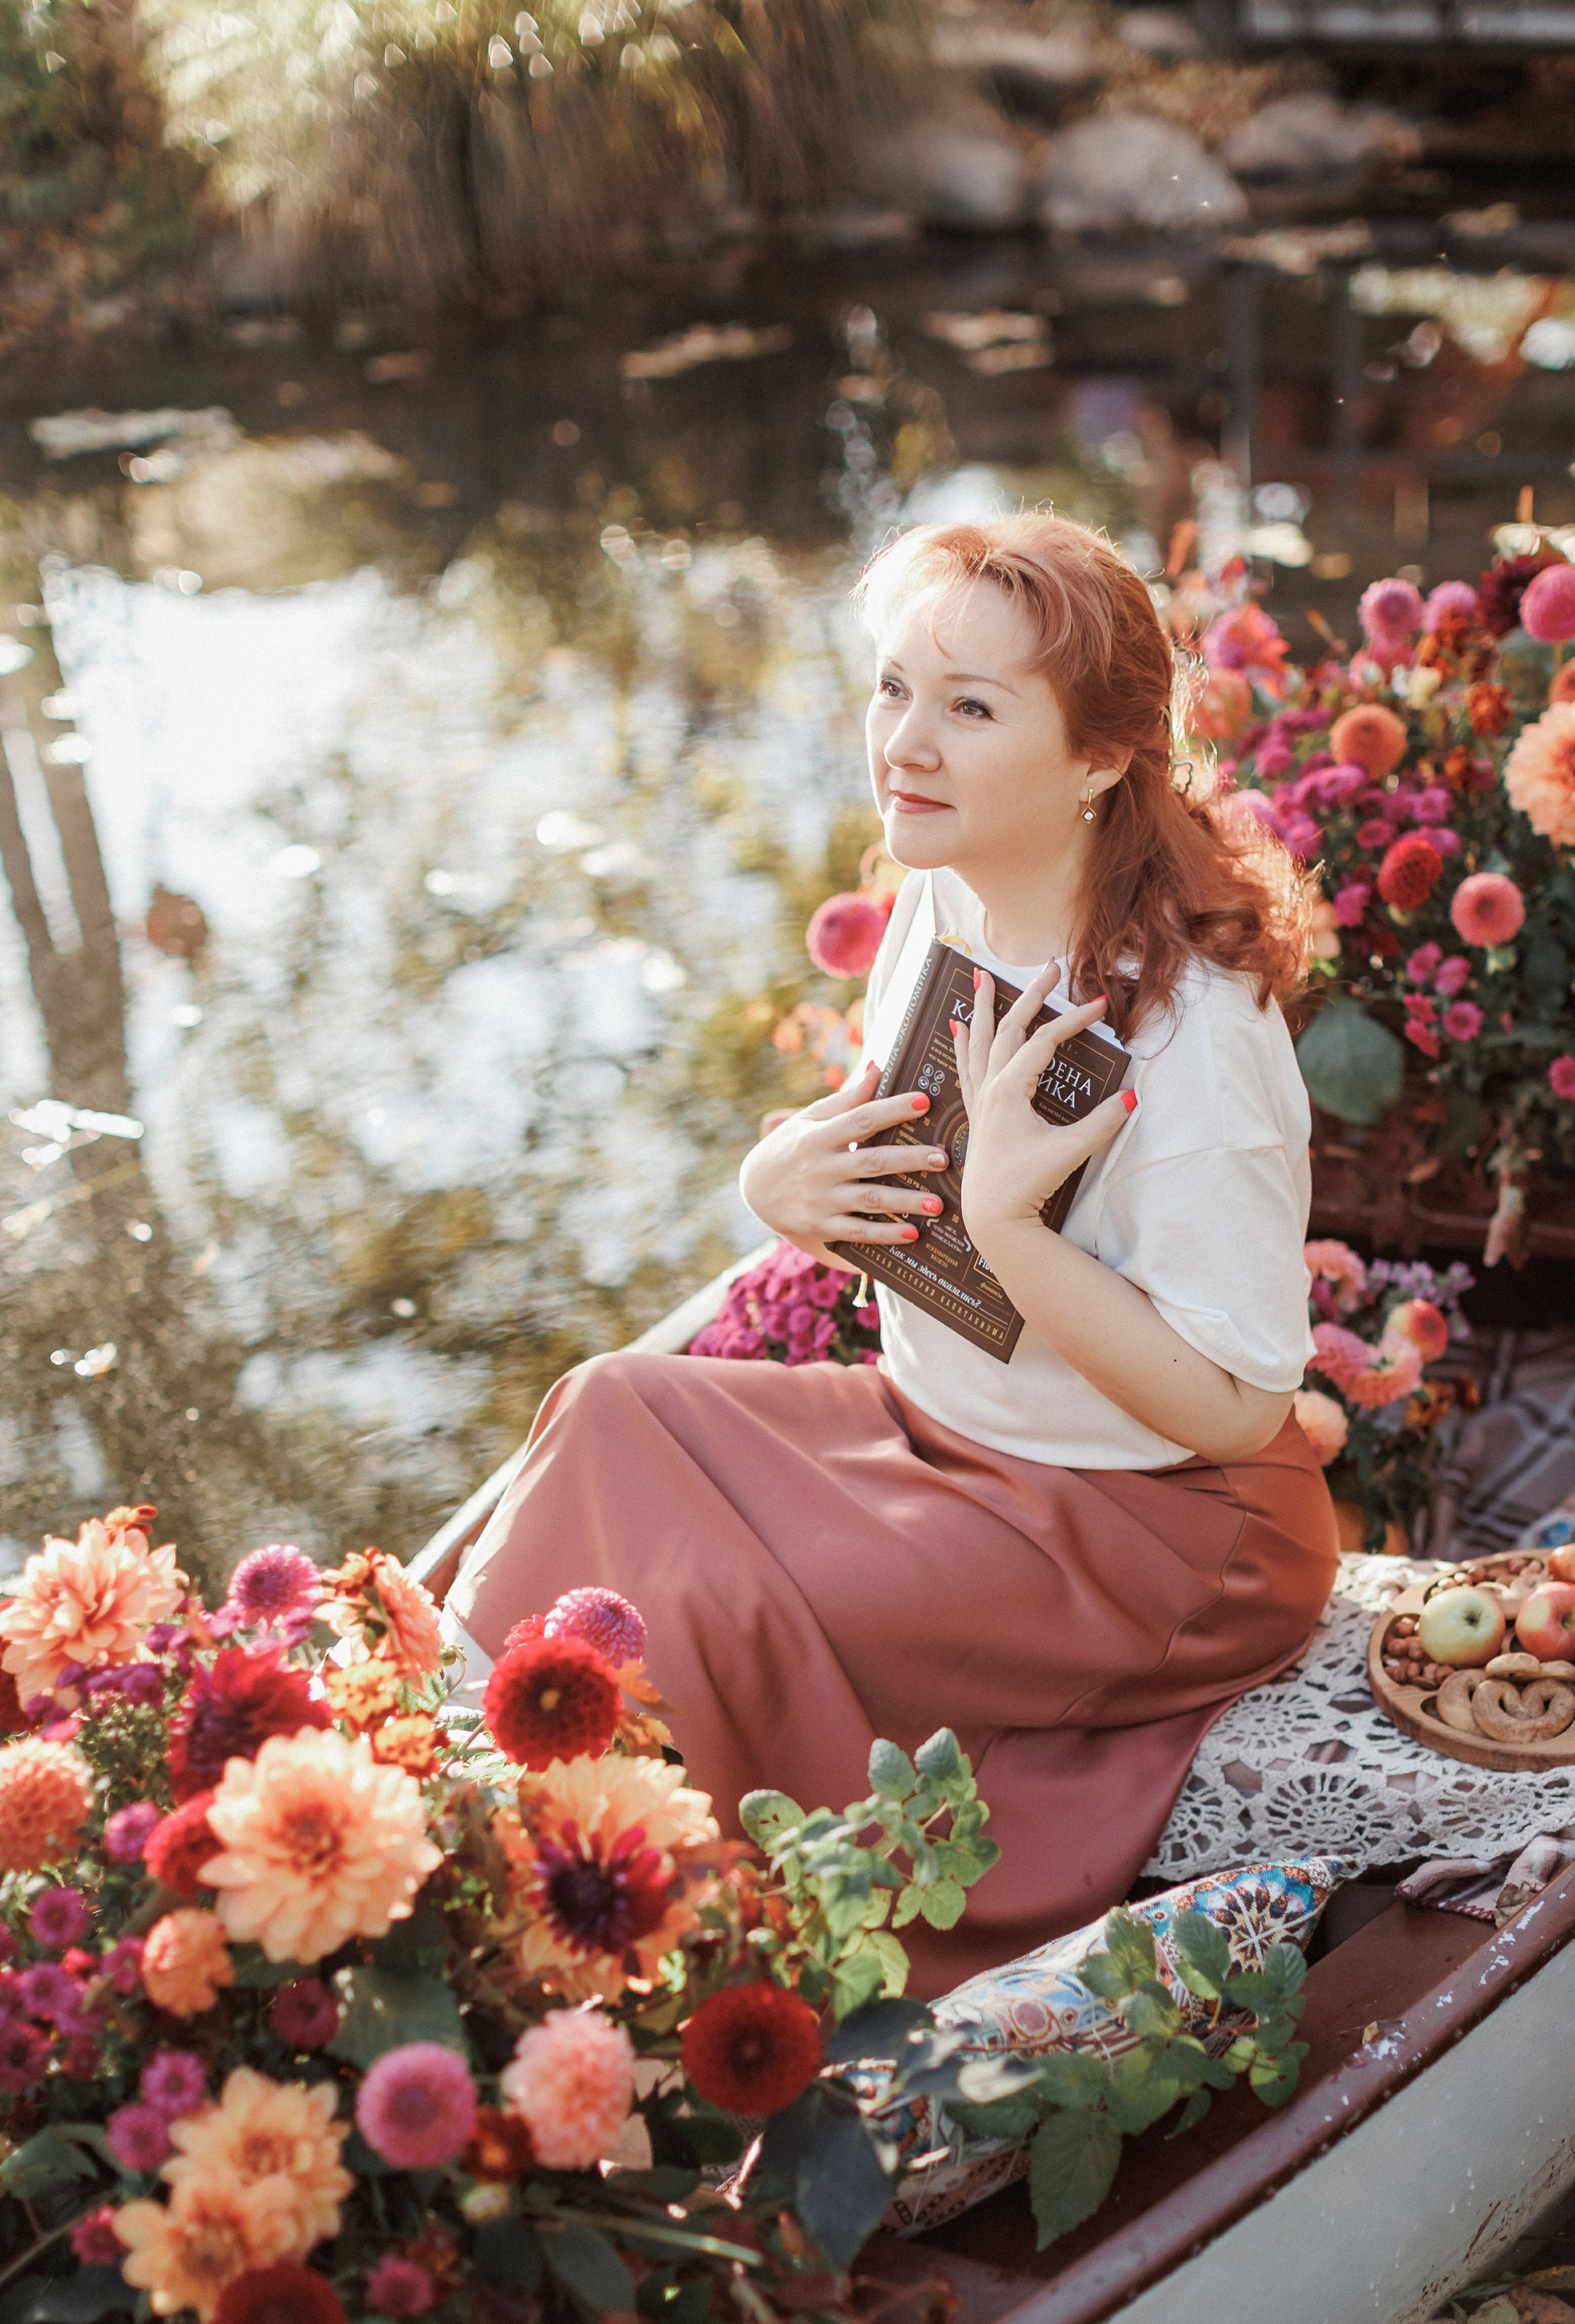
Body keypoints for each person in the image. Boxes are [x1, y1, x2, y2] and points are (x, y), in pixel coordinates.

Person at [447, 513, 1338, 1996]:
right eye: (891, 690)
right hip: (938, 1433)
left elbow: (1240, 1410)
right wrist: (777, 1173)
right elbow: (881, 1132)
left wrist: (1008, 1229)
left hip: (1155, 1531)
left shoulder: (1193, 1037)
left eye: (970, 707)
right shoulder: (943, 893)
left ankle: (663, 1942)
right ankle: (462, 1802)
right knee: (609, 1406)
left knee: (698, 1601)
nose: (903, 745)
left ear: (1100, 759)